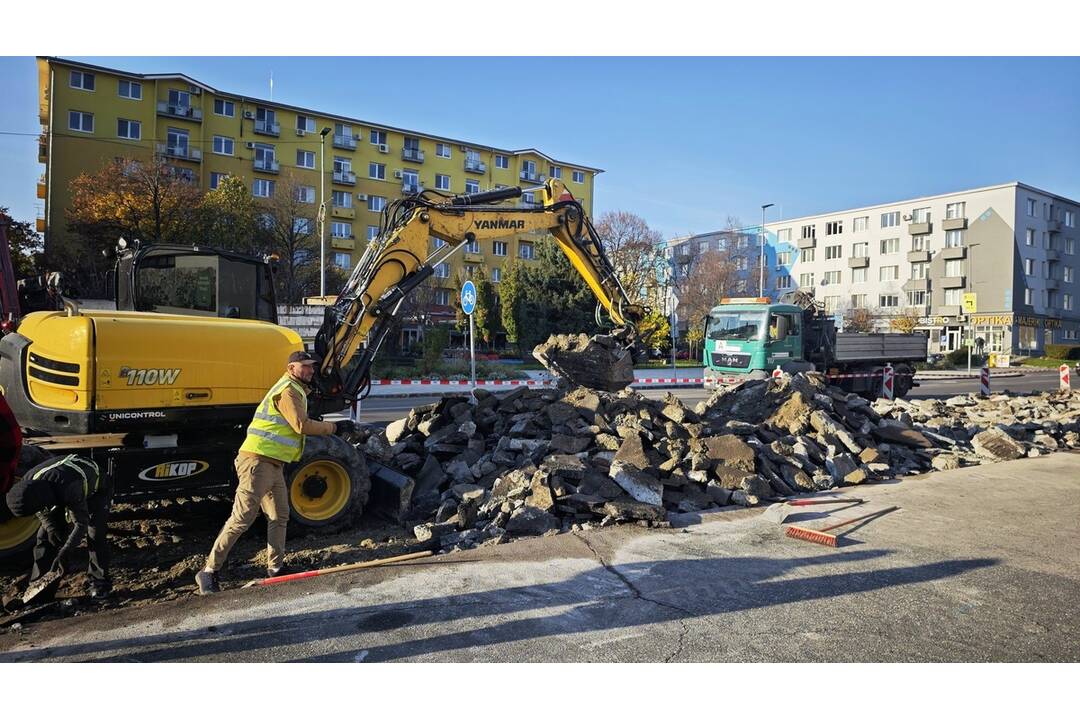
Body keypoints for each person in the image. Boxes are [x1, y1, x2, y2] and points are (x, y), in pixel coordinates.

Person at [195, 351, 356, 595]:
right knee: (242, 518)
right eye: (306, 367)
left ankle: (276, 568)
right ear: (292, 368)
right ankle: (208, 571)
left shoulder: (297, 390)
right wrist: (335, 427)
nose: (311, 370)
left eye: (312, 367)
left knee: (280, 515)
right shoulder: (288, 390)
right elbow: (301, 425)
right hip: (257, 463)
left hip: (274, 465)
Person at [4, 454, 112, 599]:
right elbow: (41, 512)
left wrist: (65, 552)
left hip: (96, 490)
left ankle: (99, 583)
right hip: (58, 488)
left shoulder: (69, 488)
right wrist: (51, 528)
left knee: (95, 534)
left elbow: (80, 524)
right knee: (45, 536)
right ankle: (39, 587)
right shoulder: (27, 483)